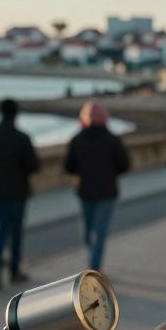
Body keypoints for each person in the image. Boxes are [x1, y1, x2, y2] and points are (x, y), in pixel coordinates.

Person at [0, 98, 39, 289]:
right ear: (15, 114)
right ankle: (14, 271)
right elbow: (33, 165)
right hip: (18, 191)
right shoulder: (22, 138)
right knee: (16, 231)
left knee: (1, 230)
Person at [64, 100, 130, 270]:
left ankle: (92, 263)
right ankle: (94, 266)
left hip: (85, 191)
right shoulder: (112, 139)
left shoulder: (77, 139)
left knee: (87, 232)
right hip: (107, 192)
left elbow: (69, 166)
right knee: (99, 233)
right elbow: (124, 165)